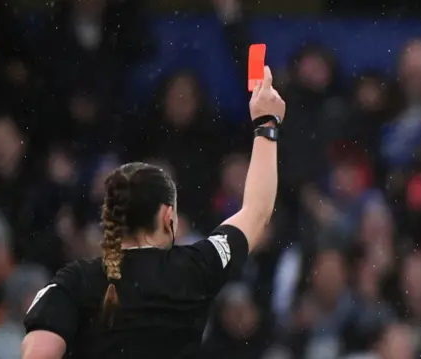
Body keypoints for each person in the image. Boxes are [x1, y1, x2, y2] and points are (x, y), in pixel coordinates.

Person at [20, 66, 286, 359]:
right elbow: (257, 212)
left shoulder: (73, 281)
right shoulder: (195, 266)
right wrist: (265, 124)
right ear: (168, 218)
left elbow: (38, 354)